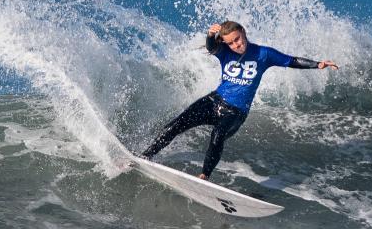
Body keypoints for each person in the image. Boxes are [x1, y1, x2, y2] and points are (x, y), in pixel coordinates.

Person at [141, 21, 338, 180]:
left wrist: (318, 64)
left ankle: (204, 176)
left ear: (243, 32)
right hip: (214, 101)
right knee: (176, 124)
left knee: (217, 136)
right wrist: (210, 36)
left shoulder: (263, 54)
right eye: (231, 43)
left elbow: (291, 60)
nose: (236, 45)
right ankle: (146, 155)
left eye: (238, 39)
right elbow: (211, 47)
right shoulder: (224, 51)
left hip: (235, 112)